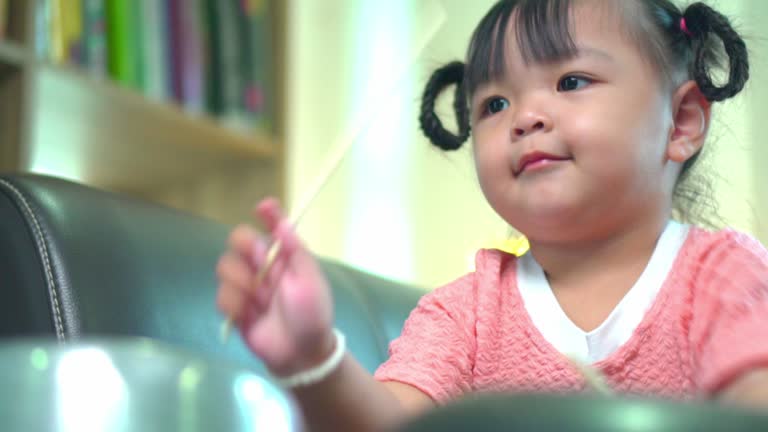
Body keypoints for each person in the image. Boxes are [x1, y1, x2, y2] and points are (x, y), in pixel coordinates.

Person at [216, 0, 768, 430]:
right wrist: (310, 358)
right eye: (494, 104)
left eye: (571, 81)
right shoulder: (467, 312)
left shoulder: (723, 277)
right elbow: (393, 424)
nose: (524, 117)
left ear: (682, 121)